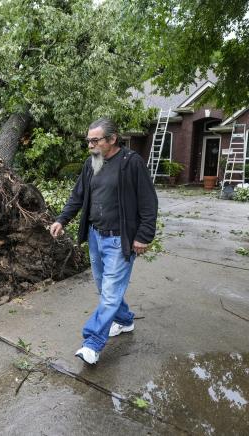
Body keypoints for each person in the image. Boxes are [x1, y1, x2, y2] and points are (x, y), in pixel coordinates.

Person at [49, 118, 158, 365]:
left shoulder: (132, 163)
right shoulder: (93, 163)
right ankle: (124, 320)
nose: (90, 145)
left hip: (120, 240)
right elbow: (77, 196)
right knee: (104, 288)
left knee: (109, 293)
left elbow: (148, 203)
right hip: (96, 236)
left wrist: (143, 236)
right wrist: (62, 220)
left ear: (112, 139)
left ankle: (92, 343)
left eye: (95, 140)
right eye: (88, 140)